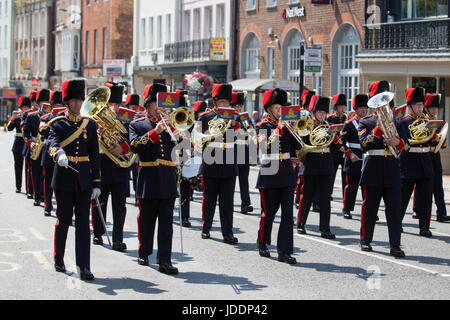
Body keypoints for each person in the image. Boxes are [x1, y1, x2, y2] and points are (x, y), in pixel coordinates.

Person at [48, 79, 101, 280]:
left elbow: (95, 156)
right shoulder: (57, 123)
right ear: (67, 101)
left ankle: (84, 266)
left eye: (80, 100)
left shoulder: (90, 123)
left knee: (83, 224)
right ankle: (59, 258)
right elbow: (52, 143)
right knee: (63, 221)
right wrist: (59, 154)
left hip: (84, 180)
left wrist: (96, 183)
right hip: (63, 178)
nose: (78, 104)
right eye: (74, 100)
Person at [129, 83, 179, 275]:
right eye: (157, 104)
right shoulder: (138, 124)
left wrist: (174, 129)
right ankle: (144, 252)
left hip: (167, 178)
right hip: (148, 178)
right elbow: (134, 145)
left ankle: (164, 260)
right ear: (148, 104)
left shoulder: (172, 125)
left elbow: (184, 147)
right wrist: (155, 132)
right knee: (146, 221)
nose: (161, 108)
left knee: (166, 223)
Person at [357, 81, 405, 257]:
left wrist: (397, 142)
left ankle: (395, 245)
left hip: (392, 170)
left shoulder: (398, 122)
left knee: (394, 210)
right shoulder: (366, 123)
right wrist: (378, 129)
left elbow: (405, 146)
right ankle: (365, 240)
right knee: (370, 208)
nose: (384, 106)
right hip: (373, 170)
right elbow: (363, 145)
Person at [256, 88, 303, 264]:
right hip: (269, 172)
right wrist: (279, 130)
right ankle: (262, 241)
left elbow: (298, 146)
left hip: (286, 172)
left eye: (281, 107)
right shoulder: (262, 126)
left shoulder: (287, 126)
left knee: (287, 214)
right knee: (268, 213)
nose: (278, 111)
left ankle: (284, 251)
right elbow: (264, 148)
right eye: (276, 107)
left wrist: (296, 130)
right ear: (269, 109)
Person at [297, 96, 346, 239]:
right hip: (310, 163)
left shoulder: (329, 127)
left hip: (326, 165)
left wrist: (348, 152)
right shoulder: (307, 125)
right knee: (306, 196)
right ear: (313, 112)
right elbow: (303, 141)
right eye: (319, 112)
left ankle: (325, 228)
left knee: (325, 198)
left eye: (324, 113)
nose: (322, 115)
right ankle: (301, 223)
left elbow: (338, 144)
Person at [196, 83, 240, 243]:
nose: (224, 105)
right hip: (210, 162)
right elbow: (198, 139)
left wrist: (236, 126)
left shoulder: (235, 117)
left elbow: (242, 139)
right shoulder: (205, 117)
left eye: (226, 102)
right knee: (209, 200)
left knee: (227, 202)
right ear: (215, 102)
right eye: (221, 102)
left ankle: (227, 233)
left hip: (229, 163)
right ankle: (206, 228)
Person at [91, 82, 131, 251]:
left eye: (117, 104)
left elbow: (132, 140)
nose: (113, 108)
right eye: (110, 104)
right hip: (101, 163)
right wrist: (96, 133)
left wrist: (122, 148)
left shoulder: (127, 118)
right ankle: (98, 233)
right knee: (99, 202)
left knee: (120, 205)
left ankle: (117, 238)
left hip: (120, 165)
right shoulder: (94, 119)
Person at [397, 87, 437, 237]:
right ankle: (397, 222)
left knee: (426, 197)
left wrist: (435, 136)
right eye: (418, 105)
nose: (421, 108)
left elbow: (436, 143)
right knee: (403, 196)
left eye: (422, 105)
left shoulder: (428, 121)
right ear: (410, 106)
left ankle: (424, 226)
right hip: (408, 162)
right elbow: (401, 143)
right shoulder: (402, 122)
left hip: (425, 162)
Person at [340, 94, 368, 220]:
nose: (363, 110)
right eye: (361, 108)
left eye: (365, 107)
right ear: (355, 109)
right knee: (351, 187)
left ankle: (367, 210)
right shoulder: (349, 124)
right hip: (352, 158)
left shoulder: (370, 123)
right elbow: (340, 142)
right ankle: (347, 209)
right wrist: (349, 153)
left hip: (366, 158)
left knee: (367, 188)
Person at [422, 93, 449, 222]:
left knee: (438, 185)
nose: (434, 110)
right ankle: (419, 210)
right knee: (423, 187)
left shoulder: (439, 122)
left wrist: (441, 140)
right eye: (431, 108)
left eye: (436, 108)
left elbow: (443, 144)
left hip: (435, 156)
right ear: (426, 108)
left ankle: (441, 212)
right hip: (425, 155)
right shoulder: (423, 121)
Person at [23, 89, 50, 206]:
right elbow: (25, 132)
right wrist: (30, 142)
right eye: (42, 101)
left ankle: (44, 196)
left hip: (47, 148)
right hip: (35, 146)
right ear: (38, 104)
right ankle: (37, 196)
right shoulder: (31, 116)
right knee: (35, 173)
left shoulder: (52, 116)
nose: (45, 103)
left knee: (46, 175)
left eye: (46, 101)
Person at [40, 91, 65, 216]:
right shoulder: (45, 117)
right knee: (48, 180)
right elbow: (42, 131)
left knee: (60, 183)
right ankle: (47, 204)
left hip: (63, 153)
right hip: (49, 152)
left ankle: (61, 208)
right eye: (56, 105)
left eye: (60, 104)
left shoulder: (67, 118)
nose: (58, 106)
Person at [232, 91, 253, 214]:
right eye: (236, 106)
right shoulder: (229, 117)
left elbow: (251, 131)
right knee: (231, 180)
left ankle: (245, 203)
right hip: (232, 151)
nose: (238, 108)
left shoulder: (245, 117)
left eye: (240, 106)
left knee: (244, 179)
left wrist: (249, 129)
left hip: (243, 150)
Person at [7, 97, 31, 193]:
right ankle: (18, 186)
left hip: (27, 143)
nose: (24, 109)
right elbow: (9, 128)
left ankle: (29, 189)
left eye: (26, 107)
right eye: (23, 107)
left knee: (28, 168)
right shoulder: (17, 117)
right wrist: (13, 118)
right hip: (18, 144)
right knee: (18, 166)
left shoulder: (31, 116)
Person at [327, 94, 348, 200]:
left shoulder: (346, 118)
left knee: (345, 176)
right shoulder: (330, 118)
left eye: (344, 106)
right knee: (332, 174)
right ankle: (329, 193)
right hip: (333, 150)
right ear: (336, 107)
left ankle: (345, 196)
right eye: (341, 106)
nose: (343, 108)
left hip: (343, 150)